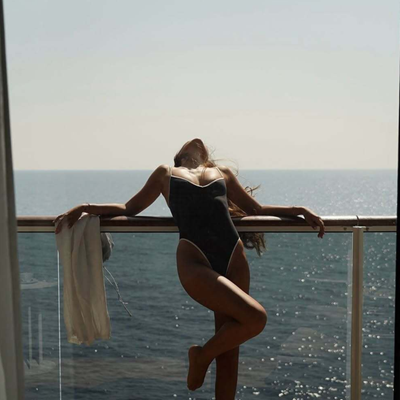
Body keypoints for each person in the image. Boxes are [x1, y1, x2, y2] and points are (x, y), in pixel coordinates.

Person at [53, 138, 325, 398]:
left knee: (230, 354)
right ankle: (202, 356)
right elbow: (129, 207)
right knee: (256, 318)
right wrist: (85, 207)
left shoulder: (223, 173)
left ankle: (204, 357)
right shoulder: (166, 173)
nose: (196, 139)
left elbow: (256, 208)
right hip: (195, 259)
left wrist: (300, 210)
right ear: (180, 156)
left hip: (234, 256)